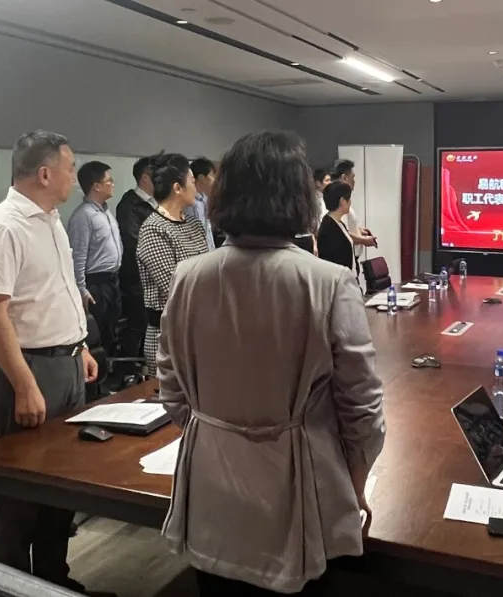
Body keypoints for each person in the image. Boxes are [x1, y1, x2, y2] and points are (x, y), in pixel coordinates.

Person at [157, 130, 385, 595]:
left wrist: (219, 435)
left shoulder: (189, 276)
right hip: (298, 491)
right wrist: (355, 484)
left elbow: (173, 391)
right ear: (298, 197)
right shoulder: (329, 282)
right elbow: (362, 410)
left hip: (210, 487)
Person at [0, 131, 97, 591]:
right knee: (23, 493)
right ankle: (10, 585)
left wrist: (81, 346)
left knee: (62, 483)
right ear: (45, 173)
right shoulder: (4, 227)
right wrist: (24, 385)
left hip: (66, 364)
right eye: (70, 167)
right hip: (30, 369)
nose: (74, 177)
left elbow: (56, 291)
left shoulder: (51, 219)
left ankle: (52, 578)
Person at [136, 153, 208, 376]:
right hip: (168, 334)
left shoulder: (194, 224)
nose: (196, 188)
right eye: (192, 182)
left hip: (200, 328)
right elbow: (173, 288)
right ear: (177, 188)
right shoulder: (154, 229)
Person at [68, 161, 123, 356]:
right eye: (109, 181)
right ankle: (97, 372)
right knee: (96, 333)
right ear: (96, 186)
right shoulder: (83, 216)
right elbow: (77, 256)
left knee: (111, 329)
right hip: (95, 283)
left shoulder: (106, 211)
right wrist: (82, 289)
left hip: (112, 280)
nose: (113, 184)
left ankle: (108, 369)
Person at [116, 156, 156, 366]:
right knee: (137, 324)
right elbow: (134, 243)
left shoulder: (153, 203)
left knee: (149, 324)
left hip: (150, 277)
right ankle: (128, 369)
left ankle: (144, 367)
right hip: (136, 277)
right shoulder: (129, 204)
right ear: (145, 178)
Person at [330, 159, 377, 265]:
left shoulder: (342, 198)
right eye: (352, 177)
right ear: (344, 178)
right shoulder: (338, 201)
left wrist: (358, 230)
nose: (354, 181)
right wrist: (363, 240)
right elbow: (340, 233)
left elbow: (343, 227)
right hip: (344, 258)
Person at [317, 181, 359, 274]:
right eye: (349, 199)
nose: (350, 203)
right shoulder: (328, 228)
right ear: (342, 201)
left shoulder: (338, 223)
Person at [185, 157, 218, 252]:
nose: (214, 181)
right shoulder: (190, 202)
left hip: (208, 250)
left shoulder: (205, 198)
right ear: (201, 178)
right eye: (212, 176)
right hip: (196, 251)